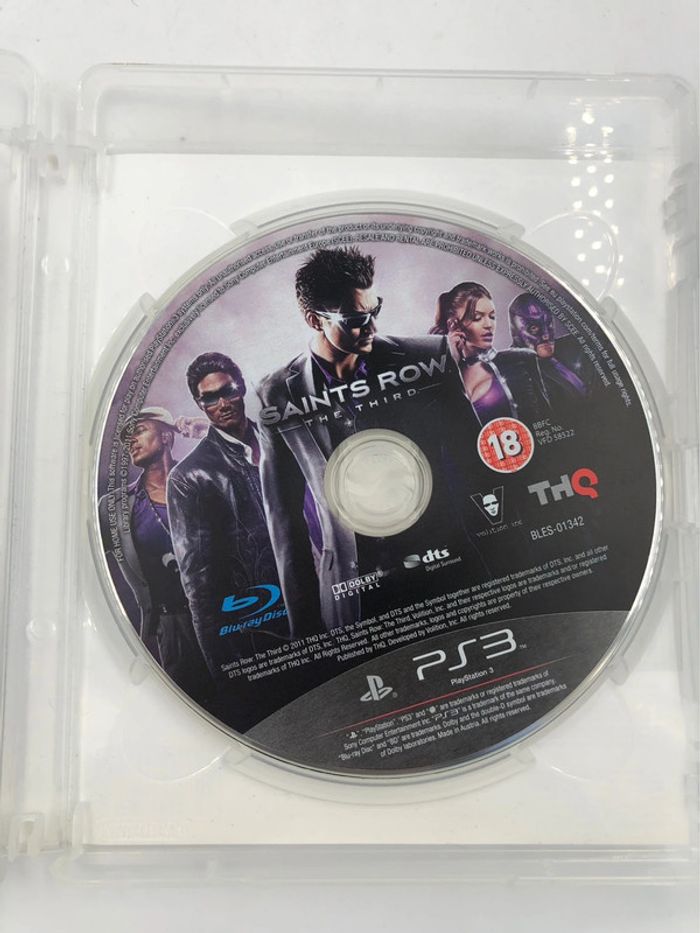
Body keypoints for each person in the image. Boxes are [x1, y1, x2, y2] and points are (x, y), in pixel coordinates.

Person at [257, 246, 465, 637]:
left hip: (445, 572)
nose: (371, 327)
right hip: (351, 597)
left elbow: (473, 465)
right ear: (314, 320)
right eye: (356, 319)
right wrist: (307, 637)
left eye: (375, 310)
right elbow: (284, 523)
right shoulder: (276, 394)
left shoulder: (427, 358)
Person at [166, 352, 287, 692]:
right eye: (210, 398)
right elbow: (199, 585)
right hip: (265, 631)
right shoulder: (189, 477)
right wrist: (225, 674)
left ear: (242, 388)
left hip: (329, 604)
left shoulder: (285, 439)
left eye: (228, 391)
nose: (222, 404)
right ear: (199, 404)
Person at [98, 407, 213, 704]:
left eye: (139, 431)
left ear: (165, 437)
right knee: (194, 709)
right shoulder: (114, 508)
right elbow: (87, 570)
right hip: (172, 626)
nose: (131, 442)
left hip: (227, 614)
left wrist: (208, 430)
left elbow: (252, 457)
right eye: (127, 438)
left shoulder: (206, 479)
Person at [430, 282, 551, 426]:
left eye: (492, 316)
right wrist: (451, 361)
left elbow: (548, 420)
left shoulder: (521, 360)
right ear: (453, 324)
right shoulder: (439, 378)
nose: (488, 325)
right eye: (477, 318)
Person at [508, 292, 591, 410]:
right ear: (515, 333)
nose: (546, 335)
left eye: (548, 324)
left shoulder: (573, 345)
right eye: (533, 328)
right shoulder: (516, 376)